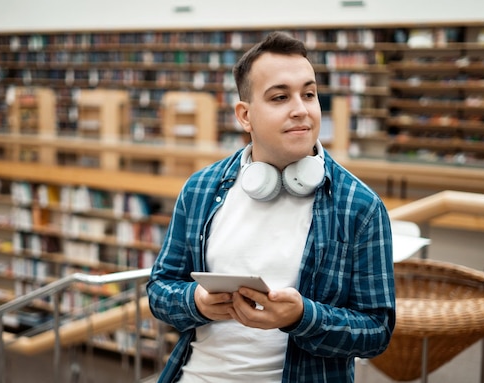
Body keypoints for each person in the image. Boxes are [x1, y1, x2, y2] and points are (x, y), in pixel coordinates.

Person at [146, 31, 395, 382]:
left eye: (309, 94)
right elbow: (159, 290)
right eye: (280, 97)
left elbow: (377, 332)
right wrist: (197, 302)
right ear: (245, 116)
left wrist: (302, 317)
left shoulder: (360, 207)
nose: (301, 110)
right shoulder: (200, 189)